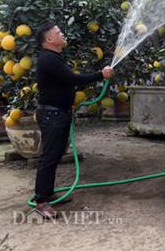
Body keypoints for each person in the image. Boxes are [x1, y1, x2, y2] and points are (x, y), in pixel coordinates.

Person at [33, 22, 114, 219]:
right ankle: (41, 202)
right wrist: (100, 75)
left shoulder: (54, 58)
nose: (63, 34)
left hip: (59, 113)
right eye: (59, 32)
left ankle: (48, 194)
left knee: (56, 154)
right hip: (52, 115)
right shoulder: (48, 60)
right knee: (49, 156)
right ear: (50, 39)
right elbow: (72, 79)